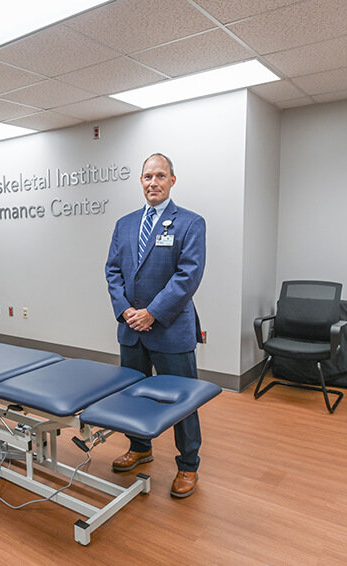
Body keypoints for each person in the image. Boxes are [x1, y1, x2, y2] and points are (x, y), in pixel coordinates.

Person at [105, 153, 206, 498]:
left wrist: (151, 312)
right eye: (147, 177)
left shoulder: (190, 223)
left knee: (182, 402)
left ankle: (188, 465)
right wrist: (126, 311)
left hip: (170, 328)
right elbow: (113, 270)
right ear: (141, 181)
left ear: (172, 181)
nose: (153, 182)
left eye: (160, 176)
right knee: (133, 394)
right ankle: (140, 446)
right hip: (131, 329)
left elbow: (187, 277)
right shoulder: (125, 224)